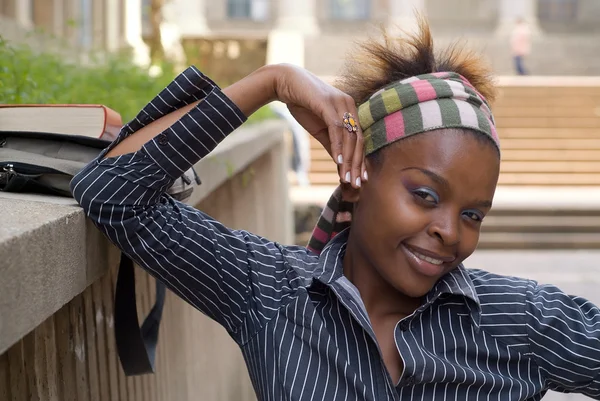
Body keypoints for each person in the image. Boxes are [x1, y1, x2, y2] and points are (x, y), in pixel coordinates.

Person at [71, 18, 600, 400]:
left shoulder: (522, 321)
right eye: (426, 195)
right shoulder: (271, 293)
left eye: (473, 215)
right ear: (356, 179)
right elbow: (113, 192)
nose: (448, 231)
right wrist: (271, 82)